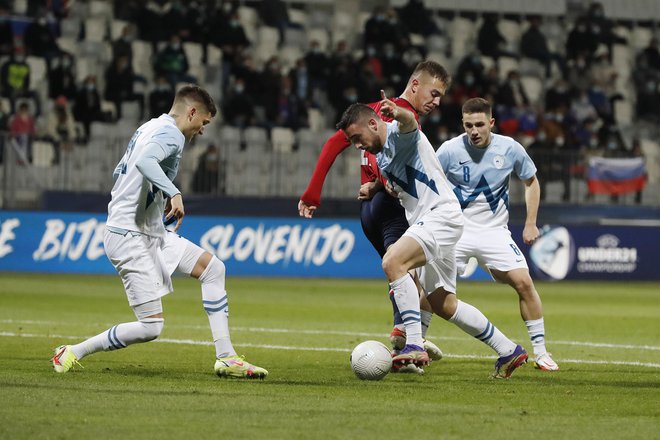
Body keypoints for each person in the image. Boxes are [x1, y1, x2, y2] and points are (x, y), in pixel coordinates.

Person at [51, 85, 267, 379]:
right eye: (203, 122)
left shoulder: (149, 127)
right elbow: (144, 162)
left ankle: (227, 358)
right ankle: (73, 351)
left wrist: (149, 199)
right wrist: (173, 193)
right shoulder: (172, 135)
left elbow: (122, 170)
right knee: (151, 327)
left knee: (213, 269)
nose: (202, 130)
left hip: (149, 231)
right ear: (191, 112)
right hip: (129, 236)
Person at [336, 94, 528, 378]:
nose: (357, 145)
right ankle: (508, 350)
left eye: (357, 137)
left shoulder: (399, 136)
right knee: (442, 304)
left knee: (393, 263)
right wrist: (376, 187)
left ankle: (413, 342)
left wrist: (397, 111)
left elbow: (410, 122)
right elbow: (402, 178)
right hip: (433, 222)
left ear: (374, 124)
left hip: (439, 216)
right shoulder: (384, 156)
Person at [297, 61, 449, 363]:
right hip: (390, 207)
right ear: (415, 85)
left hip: (368, 211)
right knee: (407, 273)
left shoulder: (369, 110)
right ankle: (407, 340)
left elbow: (331, 144)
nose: (437, 102)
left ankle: (408, 336)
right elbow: (390, 163)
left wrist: (313, 193)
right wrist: (381, 184)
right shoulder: (402, 118)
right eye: (434, 93)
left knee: (399, 274)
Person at [435, 97, 559, 372]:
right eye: (468, 125)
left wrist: (530, 223)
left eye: (480, 124)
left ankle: (541, 353)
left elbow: (531, 182)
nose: (474, 131)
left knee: (524, 283)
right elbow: (429, 182)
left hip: (494, 232)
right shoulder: (448, 150)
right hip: (456, 230)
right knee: (431, 288)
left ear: (491, 123)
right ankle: (416, 346)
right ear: (463, 124)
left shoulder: (510, 148)